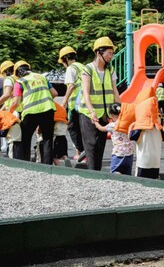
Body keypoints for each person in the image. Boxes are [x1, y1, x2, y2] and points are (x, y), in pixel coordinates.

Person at [78, 37, 121, 171]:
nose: (111, 56)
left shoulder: (110, 70)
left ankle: (97, 173)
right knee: (91, 145)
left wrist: (120, 109)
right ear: (99, 53)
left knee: (100, 145)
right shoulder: (88, 69)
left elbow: (115, 90)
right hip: (88, 113)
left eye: (112, 53)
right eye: (109, 53)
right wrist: (91, 112)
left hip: (104, 114)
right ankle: (92, 174)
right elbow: (86, 93)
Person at [10, 60, 57, 164]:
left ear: (17, 73)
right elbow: (54, 93)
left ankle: (25, 163)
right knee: (47, 139)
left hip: (30, 113)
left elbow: (16, 101)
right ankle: (47, 165)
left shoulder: (20, 82)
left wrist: (10, 112)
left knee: (25, 139)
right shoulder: (42, 77)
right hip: (48, 110)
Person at [129, 88, 164, 179]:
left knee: (141, 183)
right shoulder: (158, 125)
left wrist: (132, 125)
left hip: (143, 162)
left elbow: (131, 136)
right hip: (156, 162)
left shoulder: (140, 127)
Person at [58, 46, 85, 161]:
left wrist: (64, 102)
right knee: (82, 129)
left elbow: (71, 86)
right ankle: (80, 153)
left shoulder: (70, 68)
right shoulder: (82, 66)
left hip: (75, 104)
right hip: (84, 102)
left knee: (73, 128)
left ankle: (83, 151)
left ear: (65, 59)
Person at [95, 104, 135, 175]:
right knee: (127, 174)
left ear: (111, 115)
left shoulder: (112, 125)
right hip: (129, 153)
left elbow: (101, 128)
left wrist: (95, 122)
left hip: (118, 153)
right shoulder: (128, 124)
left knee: (115, 172)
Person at [52, 102, 69, 166]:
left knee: (53, 150)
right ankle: (65, 157)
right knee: (62, 136)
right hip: (63, 120)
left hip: (56, 119)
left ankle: (58, 164)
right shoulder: (56, 104)